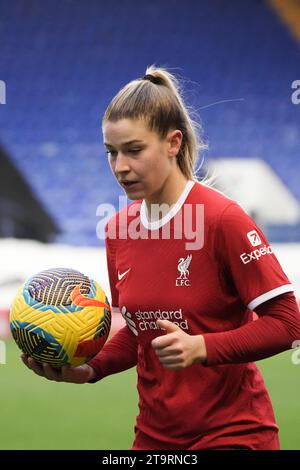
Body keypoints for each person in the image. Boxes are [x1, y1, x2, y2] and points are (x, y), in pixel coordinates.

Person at [22, 65, 300, 450]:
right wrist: (91, 369)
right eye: (111, 152)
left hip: (233, 434)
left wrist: (203, 347)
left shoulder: (222, 219)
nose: (120, 166)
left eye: (134, 150)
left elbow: (287, 323)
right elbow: (140, 334)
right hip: (153, 438)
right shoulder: (118, 230)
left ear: (173, 142)